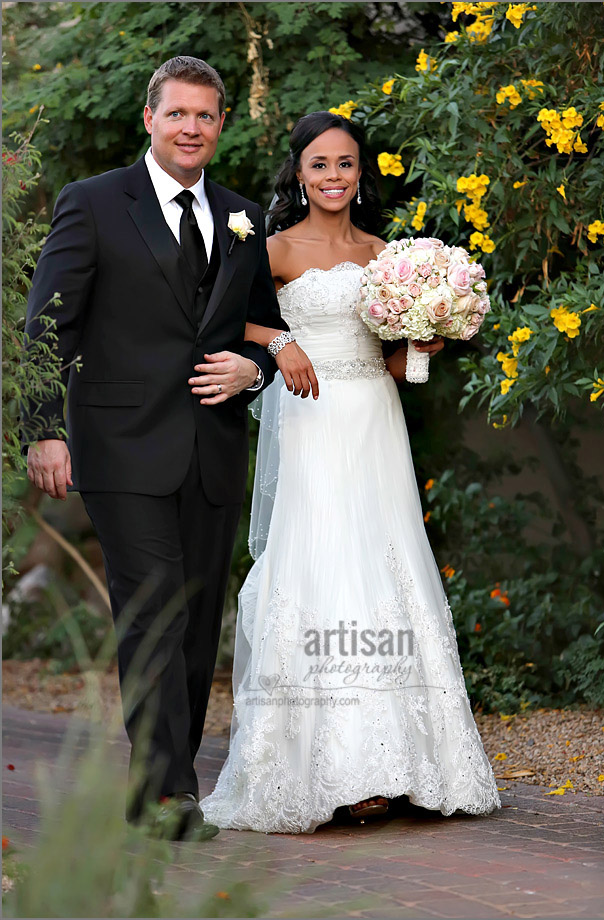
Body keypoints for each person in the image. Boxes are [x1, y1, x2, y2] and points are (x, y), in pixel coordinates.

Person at [22, 56, 315, 841]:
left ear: (221, 125)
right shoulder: (92, 204)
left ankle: (164, 783)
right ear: (149, 119)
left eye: (206, 116)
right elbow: (46, 323)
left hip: (210, 452)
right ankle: (165, 797)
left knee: (191, 627)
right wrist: (42, 429)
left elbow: (258, 329)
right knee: (150, 614)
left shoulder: (241, 215)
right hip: (119, 450)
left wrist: (251, 370)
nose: (191, 128)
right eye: (177, 114)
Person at [200, 111, 502, 833]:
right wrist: (279, 341)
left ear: (359, 173)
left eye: (345, 164)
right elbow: (218, 321)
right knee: (321, 565)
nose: (333, 176)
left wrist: (428, 332)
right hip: (308, 418)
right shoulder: (271, 248)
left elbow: (402, 369)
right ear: (297, 173)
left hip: (373, 417)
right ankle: (331, 767)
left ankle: (400, 765)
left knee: (386, 564)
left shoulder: (386, 255)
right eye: (319, 164)